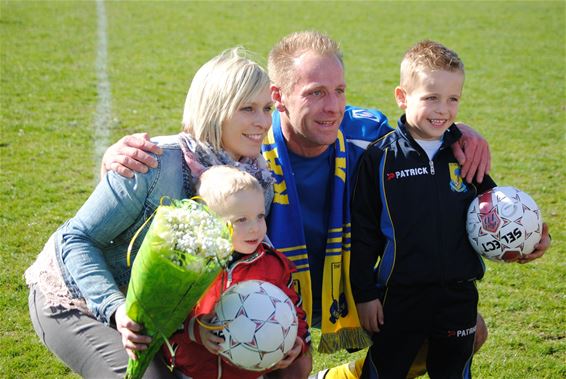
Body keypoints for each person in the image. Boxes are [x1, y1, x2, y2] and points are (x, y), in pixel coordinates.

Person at [101, 31, 551, 378]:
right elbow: (195, 141)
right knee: (283, 360)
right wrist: (117, 154)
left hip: (351, 289)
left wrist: (463, 131)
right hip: (273, 293)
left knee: (469, 331)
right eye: (315, 92)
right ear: (277, 98)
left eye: (339, 90)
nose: (332, 106)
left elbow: (422, 129)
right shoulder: (247, 152)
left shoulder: (366, 136)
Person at [24, 47, 307, 378]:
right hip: (80, 299)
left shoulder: (256, 179)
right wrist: (115, 309)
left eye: (266, 109)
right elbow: (75, 239)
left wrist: (284, 333)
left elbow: (242, 265)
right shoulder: (151, 162)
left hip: (161, 312)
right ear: (215, 110)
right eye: (248, 108)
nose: (262, 121)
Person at [351, 40, 500, 378]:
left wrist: (530, 237)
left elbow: (498, 210)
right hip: (399, 299)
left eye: (453, 99)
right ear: (402, 97)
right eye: (431, 97)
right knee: (386, 370)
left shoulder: (464, 155)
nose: (443, 110)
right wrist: (364, 295)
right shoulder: (380, 158)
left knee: (454, 371)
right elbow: (361, 234)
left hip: (457, 296)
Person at [162, 165, 311, 378]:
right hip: (192, 373)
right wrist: (196, 330)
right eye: (241, 220)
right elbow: (166, 317)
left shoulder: (273, 265)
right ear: (210, 222)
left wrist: (298, 339)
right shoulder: (189, 266)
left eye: (260, 216)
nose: (255, 228)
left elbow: (294, 310)